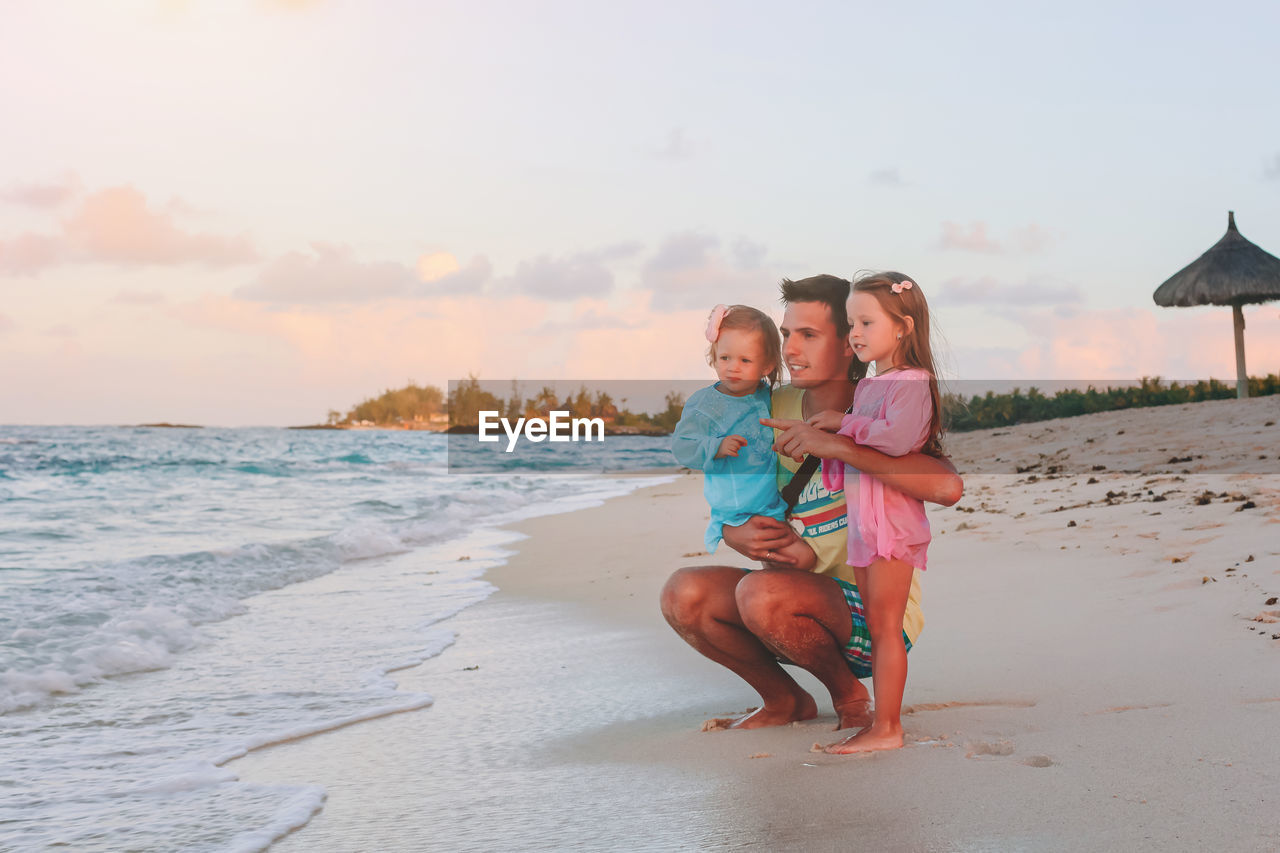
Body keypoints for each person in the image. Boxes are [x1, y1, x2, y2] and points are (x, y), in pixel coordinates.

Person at [659, 274, 962, 735]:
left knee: (761, 595)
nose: (789, 350)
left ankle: (849, 696)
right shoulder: (768, 402)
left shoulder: (879, 407)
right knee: (684, 593)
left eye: (808, 335)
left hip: (871, 617)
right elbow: (727, 473)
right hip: (787, 607)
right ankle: (786, 700)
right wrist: (732, 532)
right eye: (785, 335)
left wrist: (839, 444)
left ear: (848, 342)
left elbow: (946, 487)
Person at [806, 272, 942, 753]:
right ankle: (881, 722)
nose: (855, 333)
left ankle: (888, 728)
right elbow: (853, 454)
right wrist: (830, 440)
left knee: (885, 628)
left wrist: (843, 427)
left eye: (866, 322)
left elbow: (897, 441)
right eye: (850, 323)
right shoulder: (870, 386)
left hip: (892, 526)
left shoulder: (912, 382)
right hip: (865, 525)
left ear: (903, 327)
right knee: (876, 623)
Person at [670, 305, 808, 567]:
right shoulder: (706, 404)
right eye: (725, 358)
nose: (733, 368)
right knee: (796, 559)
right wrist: (716, 446)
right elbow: (681, 446)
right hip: (737, 508)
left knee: (788, 564)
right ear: (714, 356)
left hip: (772, 502)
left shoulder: (766, 396)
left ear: (766, 365)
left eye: (745, 361)